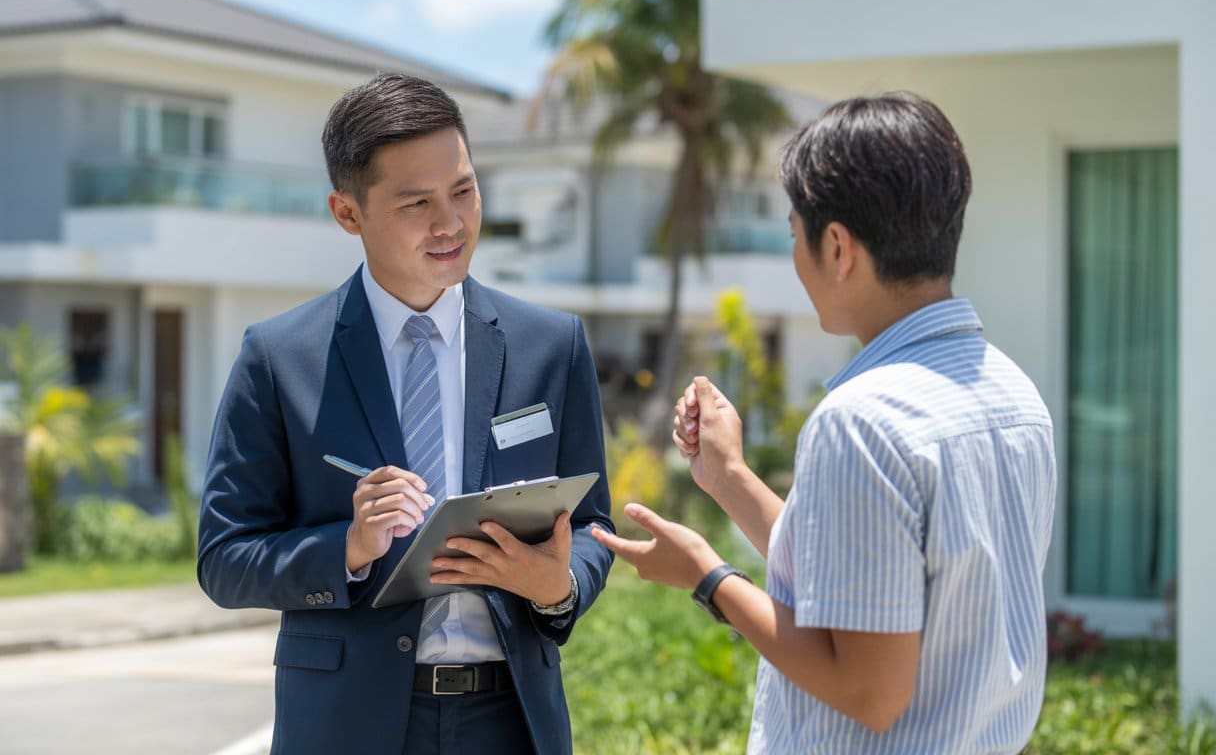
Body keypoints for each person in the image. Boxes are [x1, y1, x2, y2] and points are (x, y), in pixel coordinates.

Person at [593, 92, 1057, 753]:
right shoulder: (1015, 396)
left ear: (837, 246)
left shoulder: (863, 420)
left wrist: (708, 575)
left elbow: (868, 689)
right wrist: (727, 478)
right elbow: (863, 578)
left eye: (793, 233)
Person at [197, 73, 614, 755]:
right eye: (417, 202)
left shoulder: (553, 345)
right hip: (344, 726)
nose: (450, 223)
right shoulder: (278, 358)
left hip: (511, 723)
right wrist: (349, 548)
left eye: (464, 190)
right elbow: (224, 557)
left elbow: (594, 525)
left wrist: (559, 585)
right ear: (347, 212)